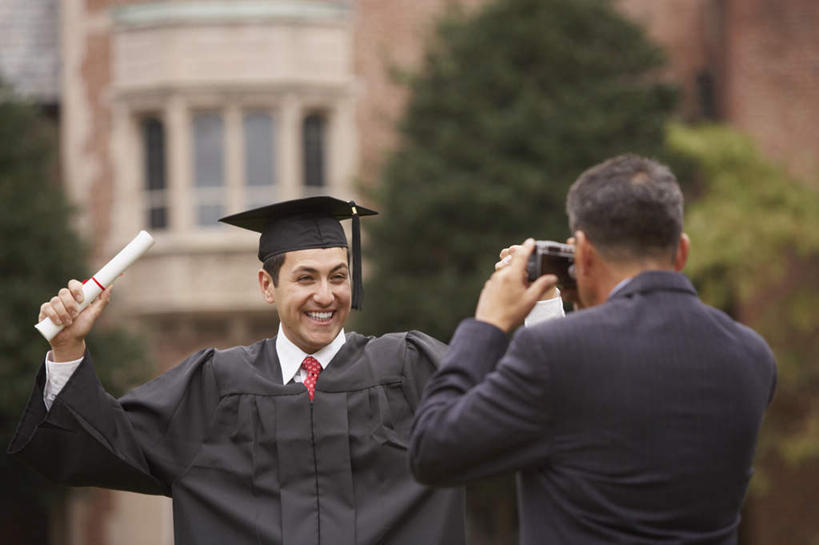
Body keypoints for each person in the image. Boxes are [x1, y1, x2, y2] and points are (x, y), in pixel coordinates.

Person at [9, 196, 468, 545]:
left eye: (339, 276)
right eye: (306, 278)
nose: (326, 295)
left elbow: (511, 403)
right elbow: (104, 443)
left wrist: (540, 309)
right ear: (268, 285)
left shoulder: (409, 370)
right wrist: (68, 348)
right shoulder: (215, 387)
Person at [408, 155, 777, 545]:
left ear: (582, 252)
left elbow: (433, 451)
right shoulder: (752, 355)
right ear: (682, 251)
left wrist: (488, 323)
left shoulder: (555, 356)